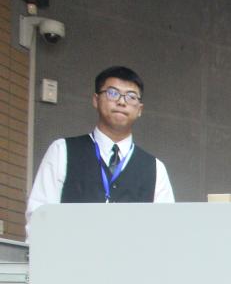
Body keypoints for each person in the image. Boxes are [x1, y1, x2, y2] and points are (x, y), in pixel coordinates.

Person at [27, 65, 174, 222]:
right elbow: (38, 218)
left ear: (140, 109)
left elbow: (166, 225)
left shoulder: (155, 168)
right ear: (96, 100)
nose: (121, 102)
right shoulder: (62, 151)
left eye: (131, 96)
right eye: (113, 93)